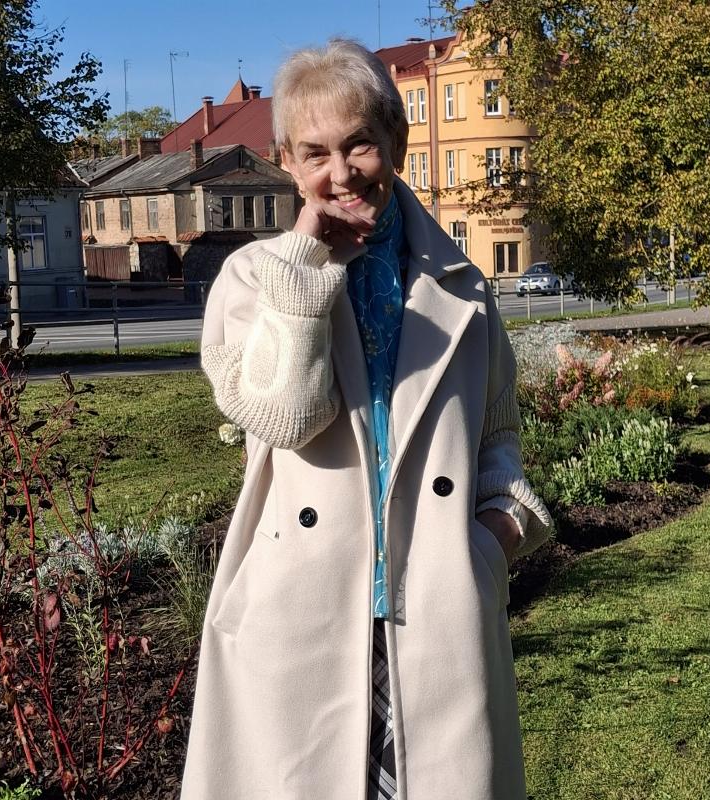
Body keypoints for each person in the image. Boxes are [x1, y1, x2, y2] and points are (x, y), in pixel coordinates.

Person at [180, 38, 552, 800]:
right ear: (286, 162)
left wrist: (492, 542)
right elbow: (283, 415)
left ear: (398, 142)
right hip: (299, 626)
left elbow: (497, 437)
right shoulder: (252, 281)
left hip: (437, 621)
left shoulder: (463, 286)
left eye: (358, 144)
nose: (341, 173)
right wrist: (304, 268)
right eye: (314, 153)